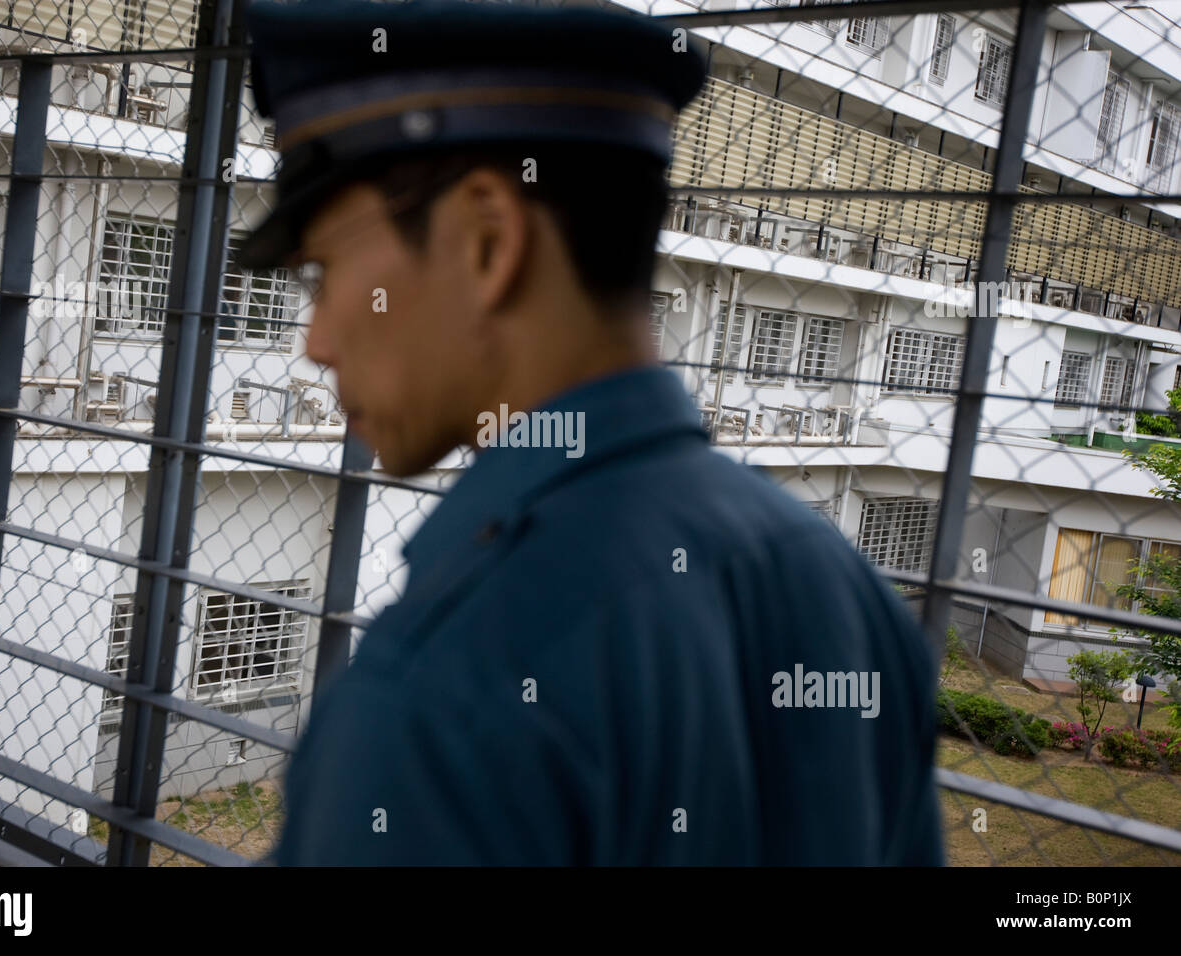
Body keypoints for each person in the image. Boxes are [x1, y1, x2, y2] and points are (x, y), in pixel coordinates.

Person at [238, 0, 943, 865]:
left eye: (325, 269)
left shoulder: (447, 687)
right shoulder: (844, 592)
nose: (315, 342)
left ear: (489, 241)